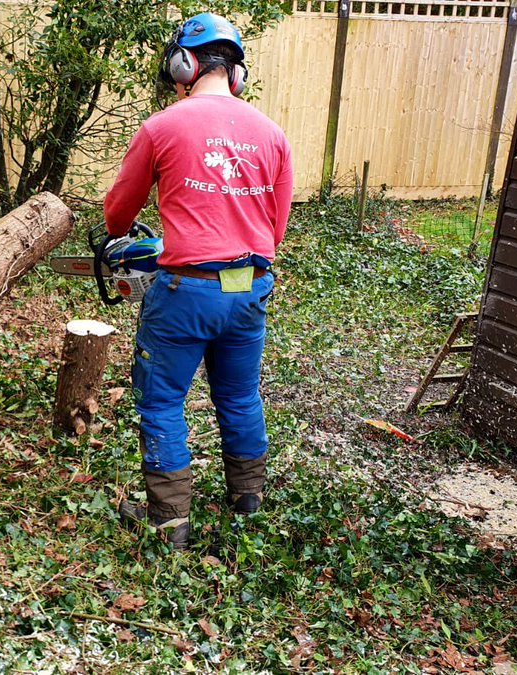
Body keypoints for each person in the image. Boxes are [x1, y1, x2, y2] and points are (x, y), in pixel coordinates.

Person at [104, 12, 293, 550]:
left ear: (183, 63)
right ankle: (248, 499)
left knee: (161, 401)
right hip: (248, 286)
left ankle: (169, 520)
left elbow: (119, 214)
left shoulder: (162, 127)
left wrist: (132, 232)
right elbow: (274, 228)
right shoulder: (272, 134)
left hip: (186, 289)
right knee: (238, 394)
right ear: (237, 74)